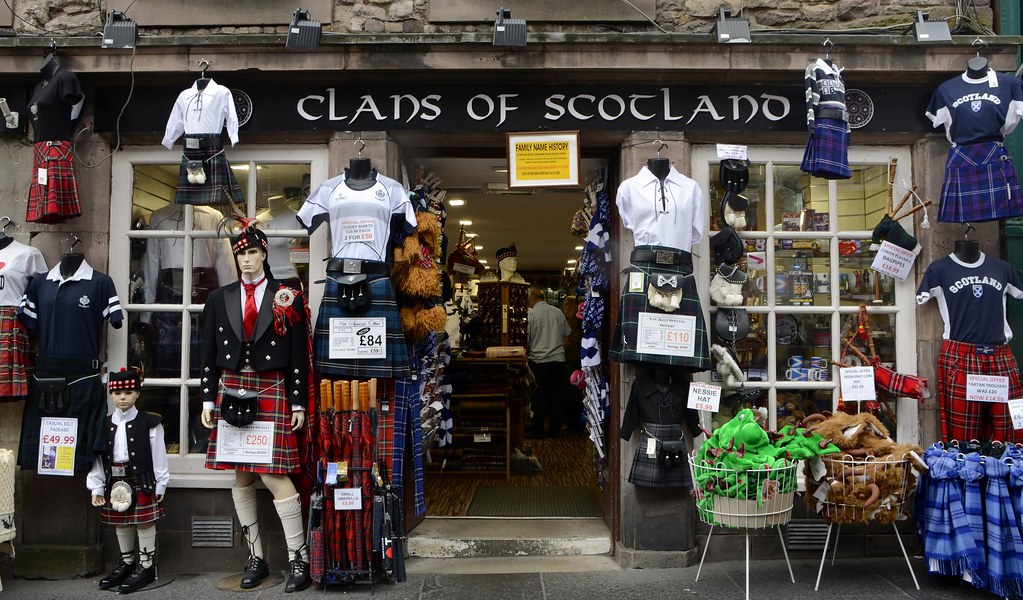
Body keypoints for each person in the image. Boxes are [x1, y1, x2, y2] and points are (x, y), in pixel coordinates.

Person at [199, 218, 312, 593]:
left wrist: (297, 402)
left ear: (264, 253)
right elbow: (208, 353)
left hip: (273, 387)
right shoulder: (219, 298)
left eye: (252, 252)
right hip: (231, 387)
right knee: (242, 475)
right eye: (240, 254)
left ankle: (299, 559)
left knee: (274, 473)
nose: (246, 259)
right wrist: (206, 396)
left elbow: (298, 355)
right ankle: (256, 558)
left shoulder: (287, 294)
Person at [87, 367, 169, 594]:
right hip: (114, 479)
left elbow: (158, 455)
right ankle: (127, 562)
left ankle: (147, 565)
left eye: (128, 393)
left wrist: (161, 482)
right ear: (111, 394)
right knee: (121, 520)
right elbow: (99, 458)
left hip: (141, 479)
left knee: (144, 521)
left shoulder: (151, 423)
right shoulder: (103, 424)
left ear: (137, 394)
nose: (122, 398)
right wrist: (96, 486)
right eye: (117, 393)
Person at [526, 288, 571, 437]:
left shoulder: (531, 314)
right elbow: (567, 337)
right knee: (557, 397)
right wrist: (559, 351)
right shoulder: (558, 313)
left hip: (537, 361)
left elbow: (527, 339)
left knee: (539, 396)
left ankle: (538, 429)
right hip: (557, 361)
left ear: (532, 299)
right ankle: (555, 430)